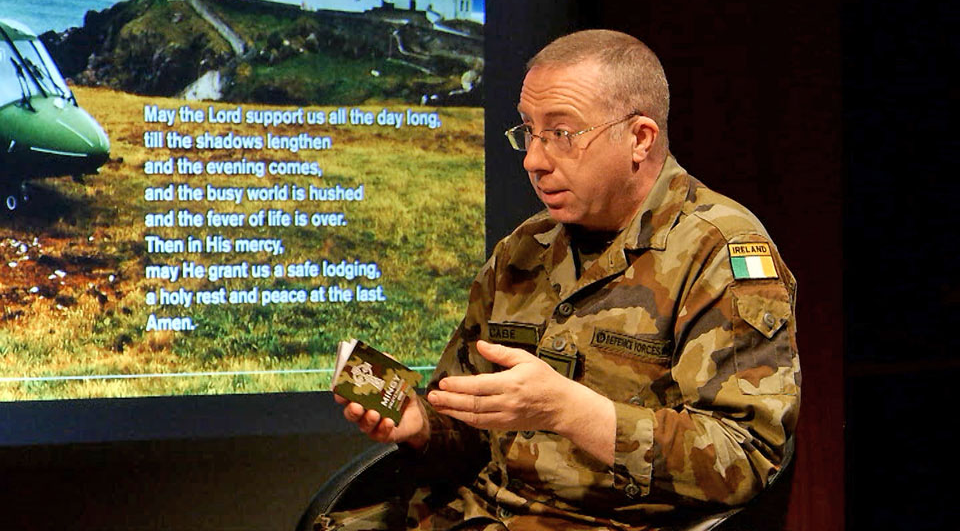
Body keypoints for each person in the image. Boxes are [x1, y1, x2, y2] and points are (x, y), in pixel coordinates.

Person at [321, 30, 800, 530]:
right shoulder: (523, 251)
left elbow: (744, 461)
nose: (533, 159)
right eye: (529, 131)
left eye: (562, 134)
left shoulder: (719, 254)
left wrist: (569, 410)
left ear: (639, 139)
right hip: (475, 515)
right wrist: (422, 426)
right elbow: (469, 431)